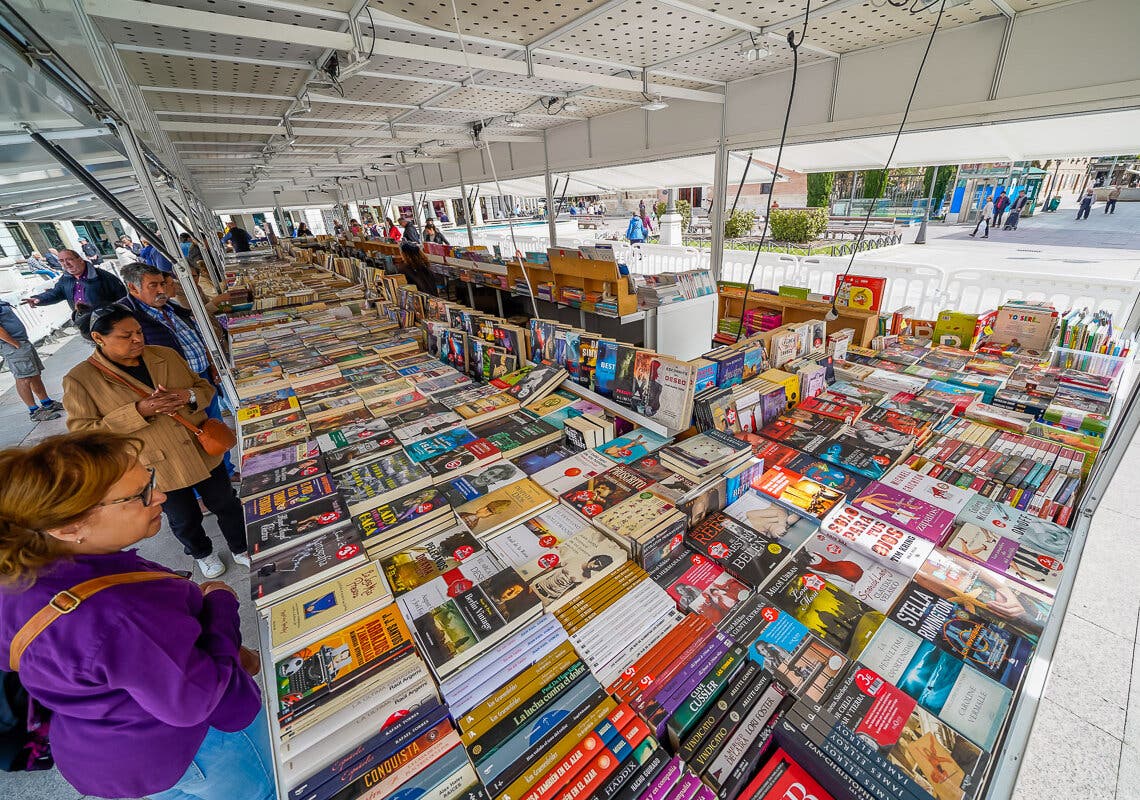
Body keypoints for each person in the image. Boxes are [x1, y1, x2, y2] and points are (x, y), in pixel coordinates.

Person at [0, 431, 272, 800]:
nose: (159, 496)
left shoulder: (21, 571)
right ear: (68, 527)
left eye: (151, 481)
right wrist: (221, 603)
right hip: (196, 750)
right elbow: (195, 697)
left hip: (100, 754)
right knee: (264, 791)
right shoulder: (120, 613)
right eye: (140, 495)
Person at [64, 305, 248, 578]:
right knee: (183, 517)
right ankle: (201, 553)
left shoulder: (165, 355)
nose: (137, 339)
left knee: (226, 502)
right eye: (125, 336)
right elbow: (83, 433)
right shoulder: (81, 380)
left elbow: (205, 388)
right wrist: (137, 412)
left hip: (201, 449)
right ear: (98, 338)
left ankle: (240, 547)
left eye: (138, 331)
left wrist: (188, 396)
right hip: (154, 464)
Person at [118, 261, 235, 477]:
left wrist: (211, 364)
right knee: (191, 438)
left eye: (163, 283)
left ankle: (226, 471)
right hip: (169, 388)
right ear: (133, 288)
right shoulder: (126, 318)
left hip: (200, 379)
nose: (162, 290)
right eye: (153, 285)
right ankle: (203, 487)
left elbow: (197, 336)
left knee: (214, 428)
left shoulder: (170, 308)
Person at [0, 298, 64, 421]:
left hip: (21, 342)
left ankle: (47, 403)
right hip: (13, 345)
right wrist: (14, 343)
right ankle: (34, 411)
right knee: (24, 378)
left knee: (34, 374)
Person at [22, 248, 127, 311]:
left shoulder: (103, 277)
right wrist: (39, 299)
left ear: (80, 260)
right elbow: (56, 293)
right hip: (84, 322)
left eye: (69, 259)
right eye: (62, 261)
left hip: (108, 321)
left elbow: (123, 299)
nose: (66, 264)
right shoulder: (65, 279)